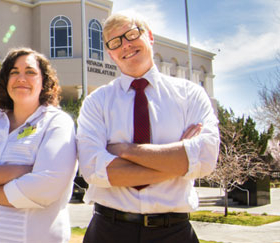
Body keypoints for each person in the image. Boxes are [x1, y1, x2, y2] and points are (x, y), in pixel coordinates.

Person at [76, 13, 220, 243]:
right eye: (115, 42)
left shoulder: (190, 95)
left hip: (173, 232)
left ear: (149, 36)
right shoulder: (97, 102)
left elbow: (205, 158)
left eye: (132, 34)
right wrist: (180, 161)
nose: (126, 44)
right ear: (111, 54)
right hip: (109, 231)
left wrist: (125, 150)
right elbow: (94, 170)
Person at [0, 47, 77, 243]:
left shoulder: (57, 123)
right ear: (5, 81)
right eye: (14, 72)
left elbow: (47, 186)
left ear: (44, 81)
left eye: (30, 72)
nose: (21, 78)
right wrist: (19, 170)